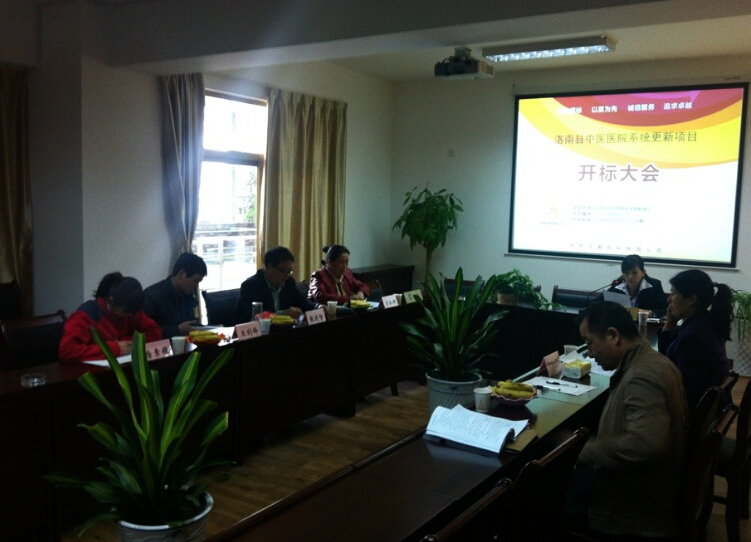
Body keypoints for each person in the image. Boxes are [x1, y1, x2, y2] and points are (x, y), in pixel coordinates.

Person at [565, 301, 688, 538]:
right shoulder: (653, 361)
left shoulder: (642, 376)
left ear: (613, 336)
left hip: (630, 508)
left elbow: (646, 444)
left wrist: (580, 449)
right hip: (642, 489)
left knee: (536, 498)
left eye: (590, 343)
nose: (590, 354)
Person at [658, 269, 733, 412]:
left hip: (692, 413)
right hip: (707, 409)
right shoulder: (704, 321)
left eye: (673, 292)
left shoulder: (693, 338)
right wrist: (670, 324)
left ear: (691, 299)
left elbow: (684, 391)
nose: (669, 299)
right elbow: (667, 361)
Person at [59, 272, 162, 362]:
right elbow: (66, 351)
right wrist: (114, 348)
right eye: (126, 312)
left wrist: (129, 343)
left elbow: (155, 332)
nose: (130, 316)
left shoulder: (132, 311)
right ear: (111, 300)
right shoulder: (85, 315)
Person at [236, 245, 317, 322]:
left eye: (289, 271)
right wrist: (283, 314)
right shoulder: (250, 286)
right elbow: (255, 316)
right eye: (283, 270)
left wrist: (318, 306)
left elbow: (302, 303)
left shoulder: (289, 282)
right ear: (269, 267)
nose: (287, 275)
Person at [143, 252, 206, 338]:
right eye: (195, 281)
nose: (196, 286)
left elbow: (190, 324)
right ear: (182, 274)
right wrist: (177, 330)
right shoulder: (151, 296)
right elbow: (145, 332)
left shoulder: (187, 296)